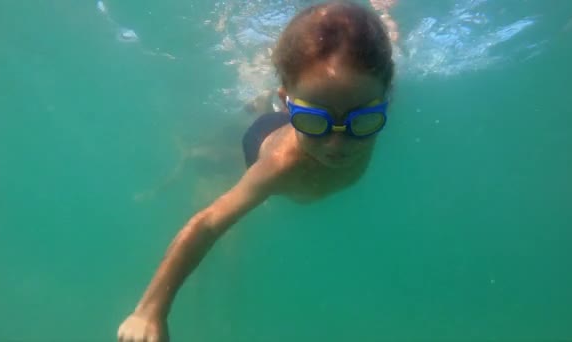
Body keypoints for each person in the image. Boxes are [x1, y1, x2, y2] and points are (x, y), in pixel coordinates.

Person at [118, 1, 398, 341]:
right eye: (314, 121)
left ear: (388, 99)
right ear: (288, 103)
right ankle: (211, 142)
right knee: (220, 190)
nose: (337, 146)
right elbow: (206, 224)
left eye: (363, 121)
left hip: (296, 113)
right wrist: (149, 310)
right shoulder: (278, 169)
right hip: (261, 135)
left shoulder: (364, 98)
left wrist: (327, 118)